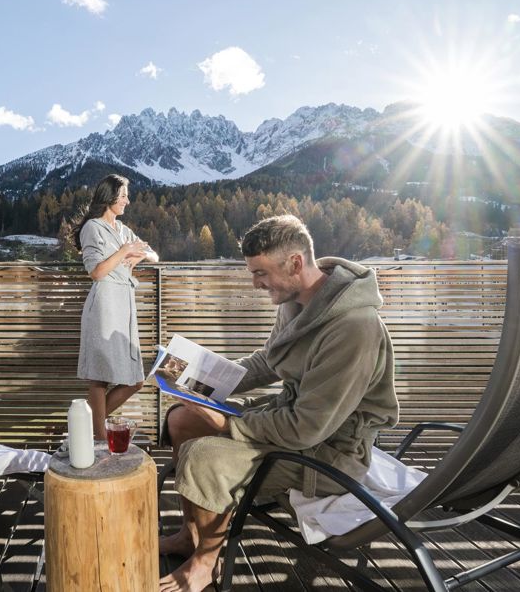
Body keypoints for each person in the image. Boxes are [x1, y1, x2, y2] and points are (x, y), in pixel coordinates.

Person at [158, 214, 399, 592]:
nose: (255, 284)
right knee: (182, 420)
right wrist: (202, 381)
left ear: (295, 264)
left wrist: (227, 425)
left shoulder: (353, 327)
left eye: (261, 273)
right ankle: (192, 535)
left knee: (204, 456)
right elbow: (269, 361)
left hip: (330, 452)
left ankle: (204, 563)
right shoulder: (297, 303)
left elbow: (308, 427)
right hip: (294, 423)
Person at [73, 174, 159, 439]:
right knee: (99, 378)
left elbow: (155, 256)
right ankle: (98, 439)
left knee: (135, 380)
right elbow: (97, 272)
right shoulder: (92, 228)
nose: (127, 201)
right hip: (104, 304)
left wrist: (138, 256)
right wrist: (124, 253)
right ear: (108, 197)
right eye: (123, 196)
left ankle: (84, 427)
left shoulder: (123, 230)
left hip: (124, 305)